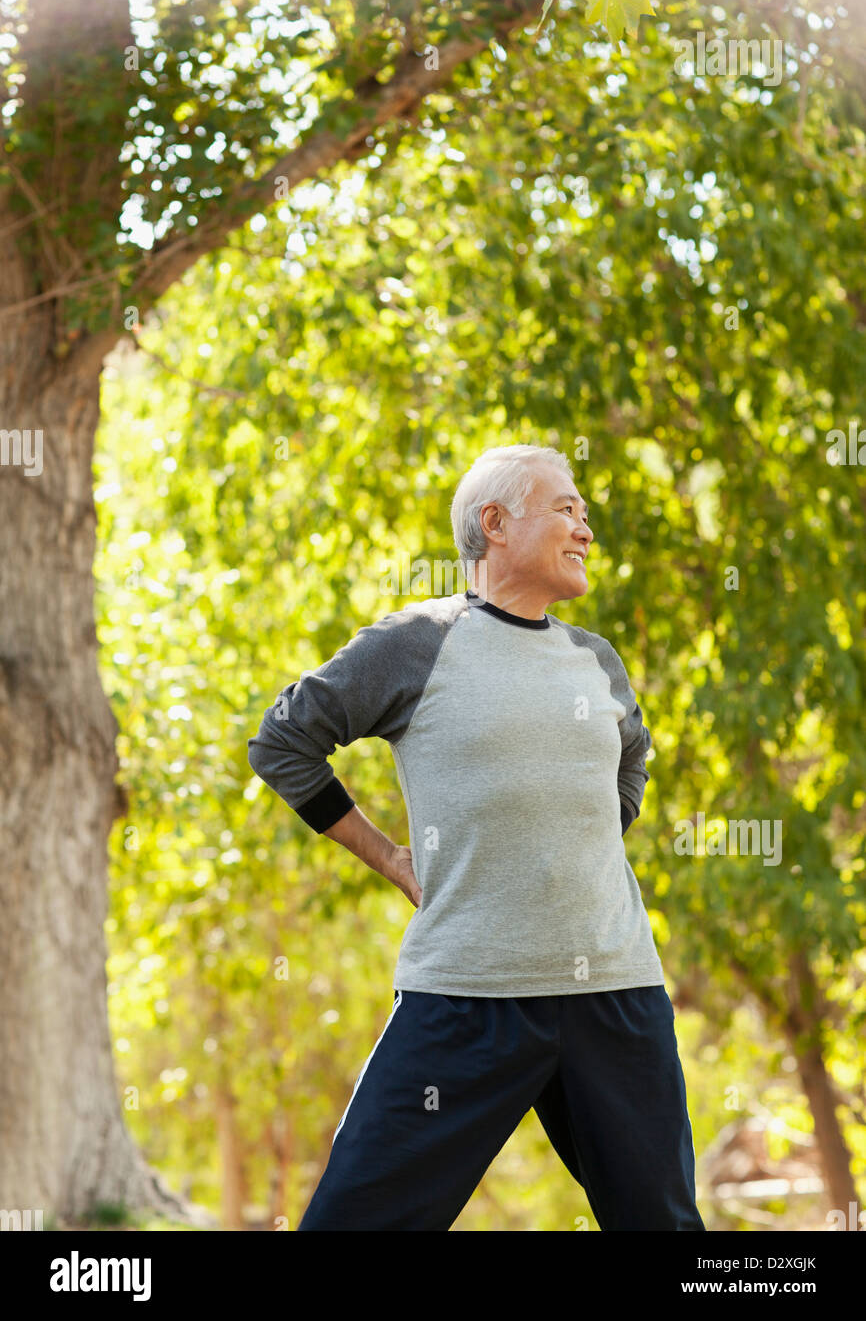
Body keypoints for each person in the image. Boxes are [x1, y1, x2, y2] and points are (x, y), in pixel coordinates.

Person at [247, 443, 704, 1231]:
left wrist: (585, 844)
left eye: (585, 514)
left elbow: (633, 761)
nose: (585, 529)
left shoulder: (595, 660)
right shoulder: (416, 643)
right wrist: (387, 855)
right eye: (566, 508)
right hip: (464, 999)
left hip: (616, 996)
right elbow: (283, 742)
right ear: (493, 522)